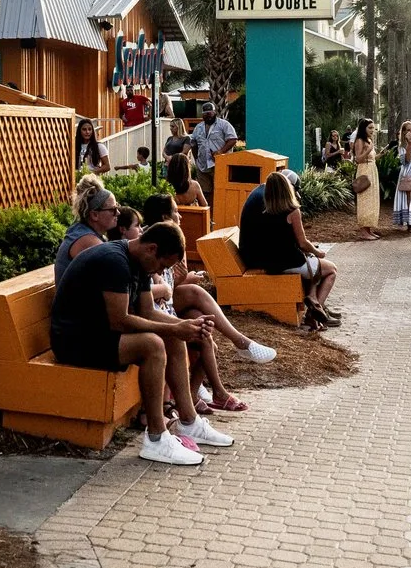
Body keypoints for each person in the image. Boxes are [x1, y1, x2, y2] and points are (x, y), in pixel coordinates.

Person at [49, 223, 232, 466]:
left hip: (98, 335)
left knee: (173, 337)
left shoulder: (139, 261)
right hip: (74, 341)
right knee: (152, 345)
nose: (161, 271)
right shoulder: (114, 261)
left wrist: (185, 327)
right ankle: (156, 438)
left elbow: (147, 311)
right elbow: (120, 321)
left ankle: (189, 422)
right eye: (163, 265)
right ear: (152, 249)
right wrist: (175, 326)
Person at [132, 195, 275, 394]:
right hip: (157, 307)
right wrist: (168, 285)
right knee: (192, 323)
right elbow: (155, 287)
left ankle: (203, 387)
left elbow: (170, 281)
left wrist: (183, 278)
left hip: (166, 302)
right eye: (175, 211)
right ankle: (215, 388)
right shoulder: (153, 244)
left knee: (199, 316)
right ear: (165, 216)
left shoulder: (172, 238)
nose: (180, 215)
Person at [239, 169, 342, 327]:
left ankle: (314, 304)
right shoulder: (291, 210)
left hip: (263, 259)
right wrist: (317, 252)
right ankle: (314, 313)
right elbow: (302, 243)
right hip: (286, 262)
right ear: (288, 188)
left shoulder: (264, 204)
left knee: (312, 266)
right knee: (330, 270)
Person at [55, 177, 119, 281]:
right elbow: (119, 276)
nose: (118, 213)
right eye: (113, 209)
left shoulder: (80, 231)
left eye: (118, 207)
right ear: (94, 215)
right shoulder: (88, 241)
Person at [350, 118, 381, 236]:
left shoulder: (368, 140)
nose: (372, 130)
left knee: (372, 200)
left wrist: (380, 155)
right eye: (370, 128)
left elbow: (371, 158)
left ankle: (369, 229)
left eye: (373, 128)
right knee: (365, 200)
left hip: (372, 170)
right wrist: (368, 149)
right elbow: (358, 159)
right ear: (364, 128)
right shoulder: (359, 141)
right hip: (364, 171)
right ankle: (363, 231)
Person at [191, 103, 238, 178]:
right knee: (204, 189)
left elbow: (233, 139)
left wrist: (221, 151)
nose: (208, 116)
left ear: (215, 112)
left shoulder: (224, 125)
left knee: (219, 188)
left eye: (210, 113)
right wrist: (196, 159)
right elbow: (193, 143)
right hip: (203, 166)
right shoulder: (198, 127)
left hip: (220, 164)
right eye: (205, 114)